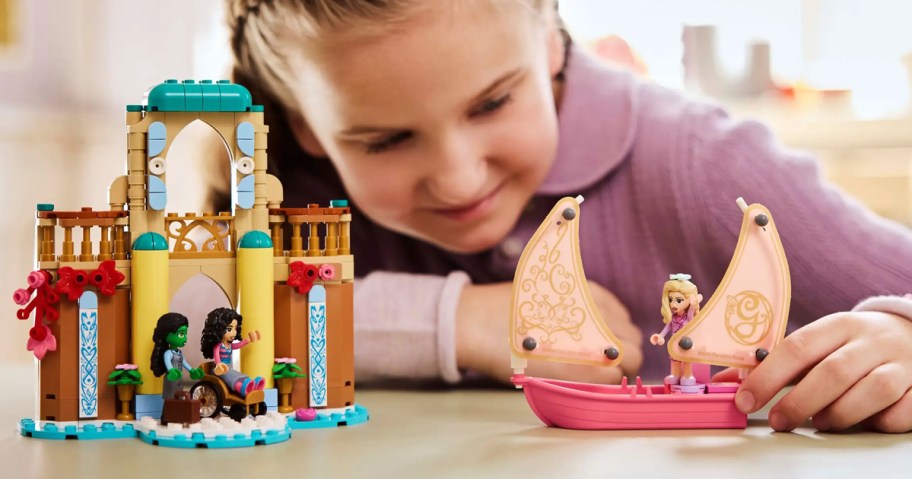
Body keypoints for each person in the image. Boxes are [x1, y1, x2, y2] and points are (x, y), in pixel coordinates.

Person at [209, 0, 912, 432]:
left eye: (491, 103)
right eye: (385, 140)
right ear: (304, 125)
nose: (458, 176)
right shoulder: (289, 199)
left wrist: (898, 333)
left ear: (550, 40)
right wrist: (461, 321)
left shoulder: (696, 161)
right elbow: (194, 334)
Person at [650, 274, 703, 387]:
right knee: (674, 360)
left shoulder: (687, 317)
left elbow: (691, 315)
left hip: (686, 343)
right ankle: (675, 375)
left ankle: (688, 376)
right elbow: (667, 328)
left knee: (686, 360)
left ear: (688, 300)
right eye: (670, 300)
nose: (673, 304)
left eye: (679, 300)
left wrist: (693, 305)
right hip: (674, 344)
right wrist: (660, 336)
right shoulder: (673, 317)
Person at [200, 307, 265, 396]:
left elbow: (238, 345)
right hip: (220, 371)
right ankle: (243, 388)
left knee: (237, 374)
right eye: (229, 329)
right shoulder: (218, 346)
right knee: (231, 378)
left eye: (235, 328)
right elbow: (217, 357)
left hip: (229, 369)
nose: (234, 333)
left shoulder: (229, 345)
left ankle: (252, 385)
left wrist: (248, 340)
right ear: (218, 329)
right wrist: (219, 364)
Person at [150, 312, 205, 400]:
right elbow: (168, 364)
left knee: (179, 397)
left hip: (179, 378)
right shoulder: (168, 353)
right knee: (170, 397)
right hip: (171, 379)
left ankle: (177, 412)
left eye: (185, 334)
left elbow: (184, 362)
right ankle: (167, 413)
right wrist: (171, 370)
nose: (185, 338)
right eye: (181, 334)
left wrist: (192, 370)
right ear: (166, 335)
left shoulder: (179, 352)